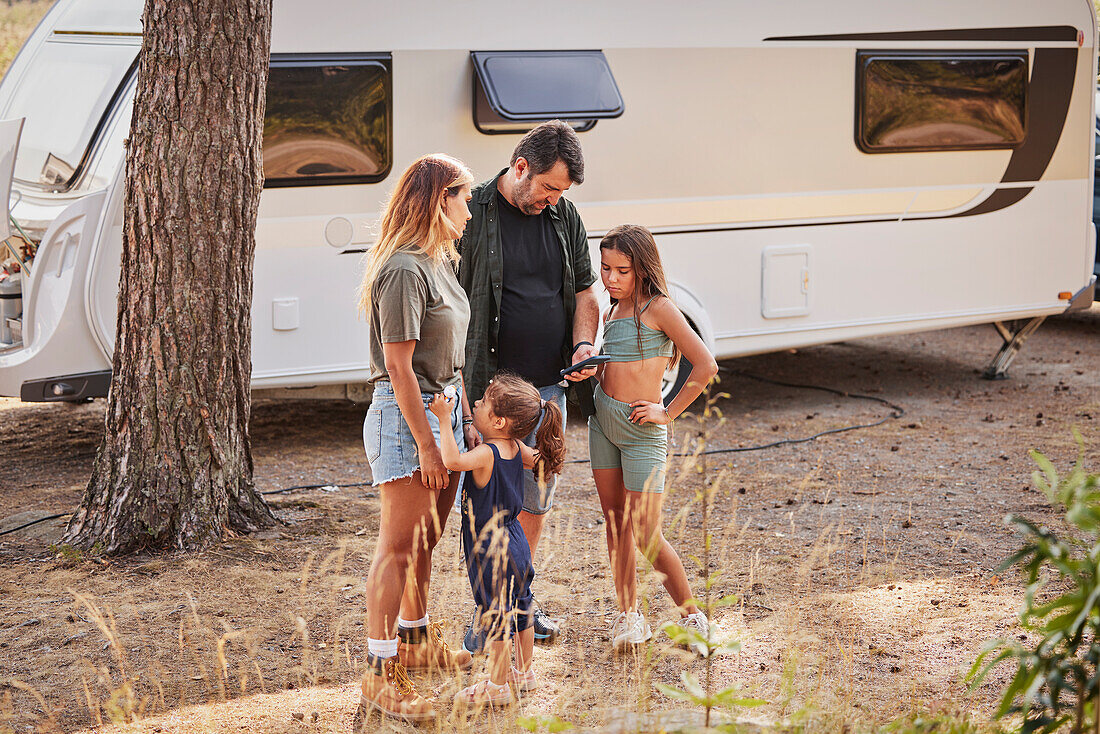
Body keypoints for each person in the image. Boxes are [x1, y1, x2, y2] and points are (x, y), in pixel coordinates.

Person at [457, 120, 600, 651]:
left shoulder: (564, 215)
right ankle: (488, 611)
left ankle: (519, 602)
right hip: (488, 394)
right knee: (489, 505)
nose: (553, 200)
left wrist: (584, 346)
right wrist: (467, 400)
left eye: (561, 192)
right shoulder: (471, 210)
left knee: (533, 503)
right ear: (520, 168)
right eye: (547, 188)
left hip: (546, 393)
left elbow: (586, 295)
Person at [358, 153, 477, 724]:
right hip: (410, 421)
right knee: (398, 547)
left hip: (445, 412)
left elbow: (449, 356)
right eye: (464, 198)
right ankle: (379, 676)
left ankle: (415, 641)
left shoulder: (437, 263)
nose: (470, 210)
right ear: (439, 200)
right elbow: (399, 367)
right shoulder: (404, 270)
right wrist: (429, 444)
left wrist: (463, 415)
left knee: (425, 540)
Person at [588, 224, 719, 651]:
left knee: (645, 532)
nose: (611, 278)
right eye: (606, 268)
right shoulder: (612, 311)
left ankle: (694, 617)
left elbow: (705, 366)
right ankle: (630, 617)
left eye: (621, 271)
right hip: (603, 423)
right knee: (615, 524)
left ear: (642, 269)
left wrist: (667, 412)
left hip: (644, 432)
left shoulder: (658, 308)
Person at [429, 372, 565, 707]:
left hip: (490, 546)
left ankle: (498, 684)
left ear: (499, 420)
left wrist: (445, 420)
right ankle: (525, 674)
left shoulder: (488, 453)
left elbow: (452, 461)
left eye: (483, 402)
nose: (475, 403)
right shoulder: (516, 447)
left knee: (498, 614)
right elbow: (543, 461)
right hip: (515, 537)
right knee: (522, 605)